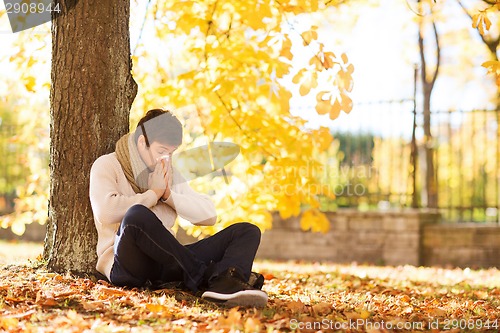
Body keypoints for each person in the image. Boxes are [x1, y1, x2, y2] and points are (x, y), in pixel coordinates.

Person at [89, 109, 267, 308]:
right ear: (142, 143)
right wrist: (153, 194)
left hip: (169, 263)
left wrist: (168, 195)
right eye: (161, 151)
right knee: (137, 216)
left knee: (247, 231)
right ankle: (211, 278)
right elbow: (106, 212)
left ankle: (226, 285)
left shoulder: (169, 174)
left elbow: (209, 215)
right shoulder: (107, 164)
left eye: (171, 153)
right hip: (128, 265)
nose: (166, 159)